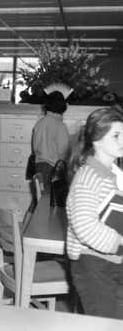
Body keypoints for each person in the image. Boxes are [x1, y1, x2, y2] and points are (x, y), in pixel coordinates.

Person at [66, 107, 123, 319]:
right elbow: (85, 226)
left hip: (111, 262)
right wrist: (119, 240)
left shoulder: (113, 174)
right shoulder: (88, 177)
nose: (122, 141)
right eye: (116, 136)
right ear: (97, 140)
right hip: (93, 267)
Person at [32, 91, 69, 187]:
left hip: (38, 166)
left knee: (39, 196)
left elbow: (35, 147)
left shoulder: (40, 123)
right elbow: (63, 152)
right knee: (50, 199)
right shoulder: (60, 125)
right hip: (53, 167)